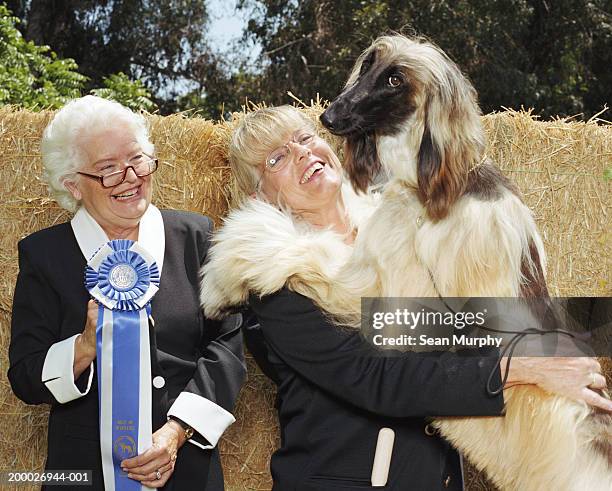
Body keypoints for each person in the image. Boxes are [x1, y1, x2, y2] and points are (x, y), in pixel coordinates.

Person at [201, 105, 611, 491]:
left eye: (305, 137)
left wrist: (557, 350)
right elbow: (374, 376)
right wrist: (522, 369)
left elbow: (457, 328)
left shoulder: (404, 234)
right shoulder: (278, 278)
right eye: (277, 158)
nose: (301, 153)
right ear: (259, 196)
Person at [8, 95, 246, 490]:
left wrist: (176, 432)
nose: (131, 177)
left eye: (137, 159)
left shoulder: (195, 235)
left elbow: (227, 344)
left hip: (186, 466)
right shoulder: (44, 254)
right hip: (82, 473)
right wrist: (84, 346)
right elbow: (26, 376)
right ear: (73, 185)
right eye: (108, 170)